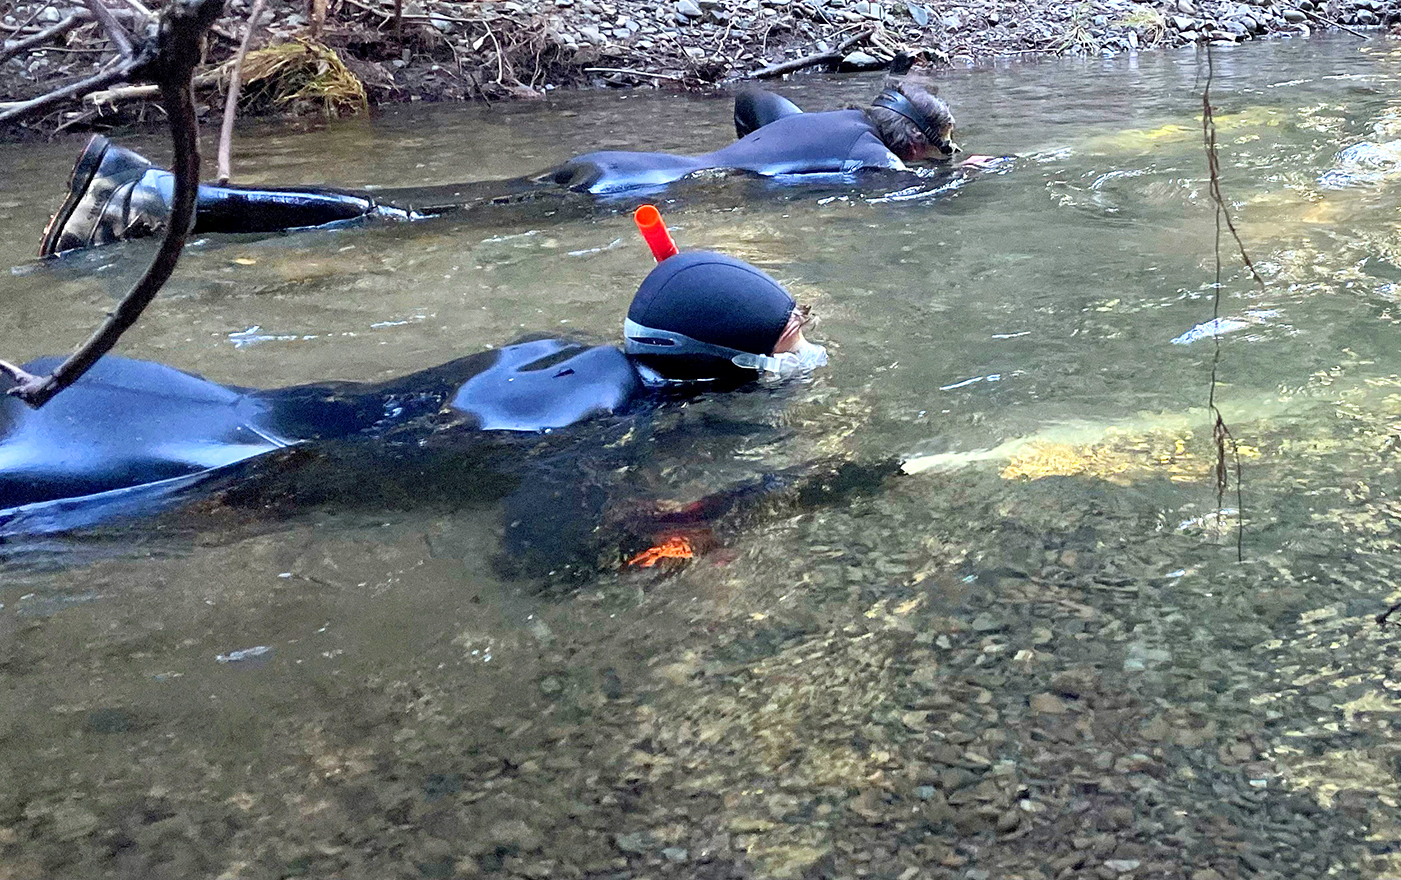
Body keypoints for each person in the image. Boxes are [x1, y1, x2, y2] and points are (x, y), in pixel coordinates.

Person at [0, 251, 835, 564]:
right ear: (726, 362)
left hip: (199, 400)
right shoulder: (601, 427)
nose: (802, 348)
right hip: (192, 474)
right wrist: (703, 523)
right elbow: (539, 557)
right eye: (791, 338)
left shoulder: (552, 352)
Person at [36, 80, 960, 257]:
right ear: (913, 142)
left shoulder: (824, 117)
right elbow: (910, 191)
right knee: (386, 220)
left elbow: (756, 96)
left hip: (617, 164)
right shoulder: (875, 158)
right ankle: (152, 196)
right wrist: (957, 177)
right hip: (636, 199)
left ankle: (148, 190)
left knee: (404, 205)